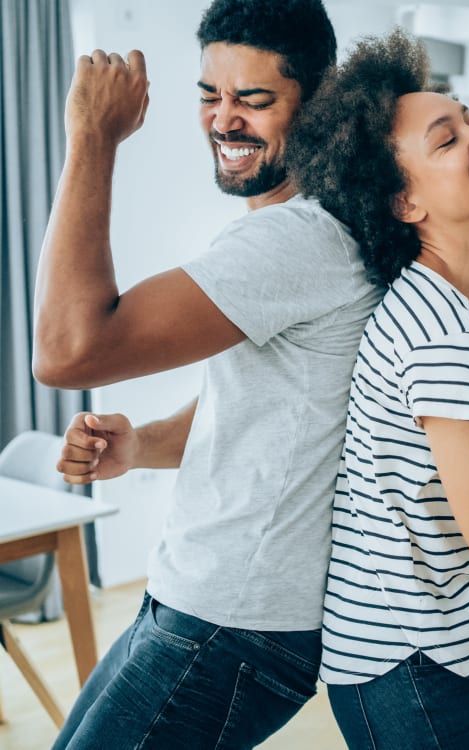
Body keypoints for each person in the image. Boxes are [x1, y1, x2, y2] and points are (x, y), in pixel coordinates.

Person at [32, 1, 383, 748]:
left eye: (254, 100)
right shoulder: (297, 229)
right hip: (196, 601)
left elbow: (66, 351)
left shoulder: (300, 239)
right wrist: (144, 445)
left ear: (317, 105)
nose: (224, 120)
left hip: (234, 626)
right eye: (209, 95)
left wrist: (92, 138)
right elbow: (280, 407)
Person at [288, 28, 469, 750]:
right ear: (403, 202)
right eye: (447, 139)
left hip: (442, 652)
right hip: (410, 669)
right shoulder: (443, 338)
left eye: (468, 119)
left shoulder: (441, 304)